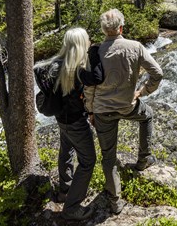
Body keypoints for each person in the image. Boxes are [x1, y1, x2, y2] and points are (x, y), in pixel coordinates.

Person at [85, 9, 163, 215]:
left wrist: (90, 111)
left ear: (103, 30)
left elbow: (89, 86)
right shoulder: (135, 47)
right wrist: (143, 91)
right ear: (121, 28)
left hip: (103, 111)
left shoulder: (95, 52)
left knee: (108, 157)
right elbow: (158, 73)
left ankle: (115, 201)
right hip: (128, 105)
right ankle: (143, 160)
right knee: (147, 116)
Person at [34, 27, 103, 221]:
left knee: (66, 149)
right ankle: (72, 208)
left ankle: (65, 190)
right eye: (87, 40)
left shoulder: (55, 65)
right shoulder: (79, 70)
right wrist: (95, 55)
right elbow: (98, 78)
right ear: (82, 45)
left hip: (61, 119)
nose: (89, 42)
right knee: (88, 160)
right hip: (76, 122)